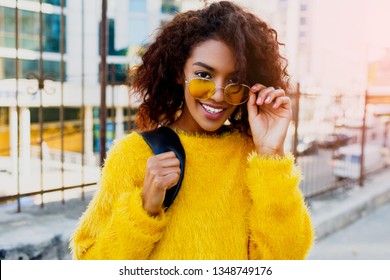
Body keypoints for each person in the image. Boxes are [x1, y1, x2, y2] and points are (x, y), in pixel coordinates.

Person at [70, 1, 314, 260]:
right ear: (179, 72)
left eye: (233, 81)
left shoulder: (254, 158)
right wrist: (144, 210)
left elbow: (285, 259)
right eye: (204, 76)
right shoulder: (133, 155)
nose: (219, 94)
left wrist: (271, 153)